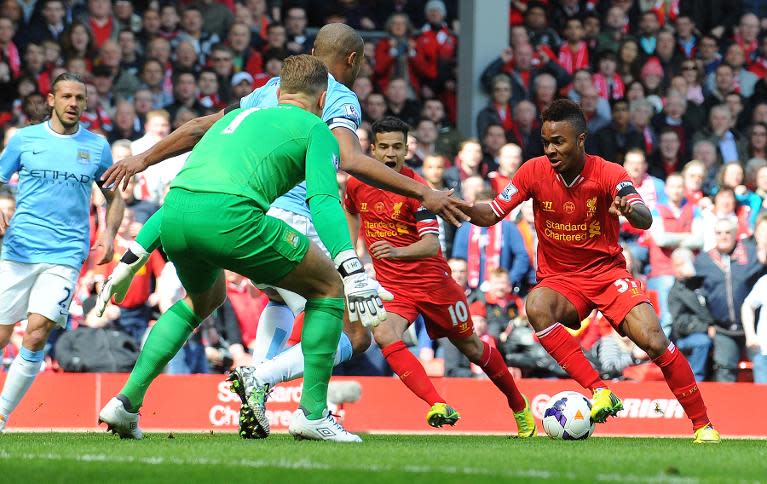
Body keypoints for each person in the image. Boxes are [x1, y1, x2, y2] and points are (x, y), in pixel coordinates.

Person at [96, 23, 468, 439]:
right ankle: (297, 403)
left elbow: (199, 132)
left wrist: (139, 193)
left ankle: (129, 401)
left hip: (188, 212)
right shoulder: (330, 106)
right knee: (346, 315)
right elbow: (339, 172)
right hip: (272, 218)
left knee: (211, 298)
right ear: (349, 65)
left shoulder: (259, 98)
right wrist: (415, 202)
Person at [460, 99, 720, 443]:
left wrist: (629, 209)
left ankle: (703, 426)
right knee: (536, 306)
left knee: (656, 340)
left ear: (581, 140)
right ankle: (599, 390)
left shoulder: (610, 173)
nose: (550, 149)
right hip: (561, 281)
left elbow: (645, 216)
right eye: (546, 141)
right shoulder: (532, 171)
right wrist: (453, 205)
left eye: (559, 142)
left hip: (607, 275)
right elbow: (492, 212)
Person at [343, 117, 534, 435]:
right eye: (384, 147)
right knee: (385, 335)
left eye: (397, 147)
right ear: (372, 149)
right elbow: (350, 209)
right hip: (393, 287)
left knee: (472, 348)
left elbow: (431, 245)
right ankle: (437, 404)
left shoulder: (420, 190)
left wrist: (396, 252)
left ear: (407, 150)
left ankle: (518, 404)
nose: (390, 154)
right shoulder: (356, 183)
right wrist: (351, 252)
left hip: (433, 285)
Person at [0, 73, 124, 432]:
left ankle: (3, 416)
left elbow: (115, 196)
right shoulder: (25, 139)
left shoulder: (97, 147)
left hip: (66, 254)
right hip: (19, 249)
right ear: (51, 99)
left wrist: (110, 234)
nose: (74, 104)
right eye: (67, 96)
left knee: (37, 333)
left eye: (80, 99)